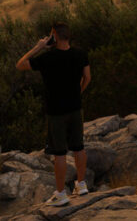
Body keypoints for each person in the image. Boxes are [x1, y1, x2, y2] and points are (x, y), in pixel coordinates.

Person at [16, 23, 91, 207]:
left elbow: (20, 65)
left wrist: (39, 47)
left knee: (59, 153)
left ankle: (60, 194)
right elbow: (88, 77)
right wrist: (78, 93)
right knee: (79, 147)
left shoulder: (47, 58)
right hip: (75, 108)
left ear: (54, 37)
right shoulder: (80, 54)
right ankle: (81, 185)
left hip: (56, 112)